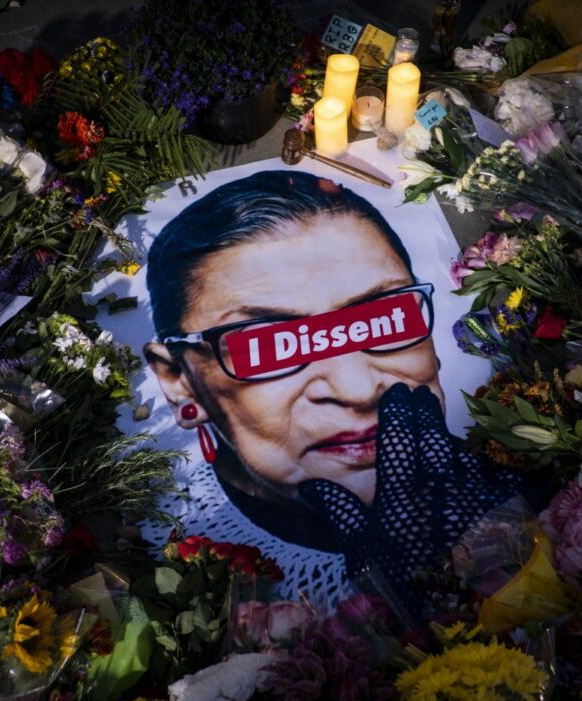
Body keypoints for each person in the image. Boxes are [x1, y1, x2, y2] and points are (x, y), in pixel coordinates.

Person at [144, 170, 523, 607]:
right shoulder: (174, 578)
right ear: (178, 380)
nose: (356, 389)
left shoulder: (533, 483)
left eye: (382, 320)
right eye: (270, 346)